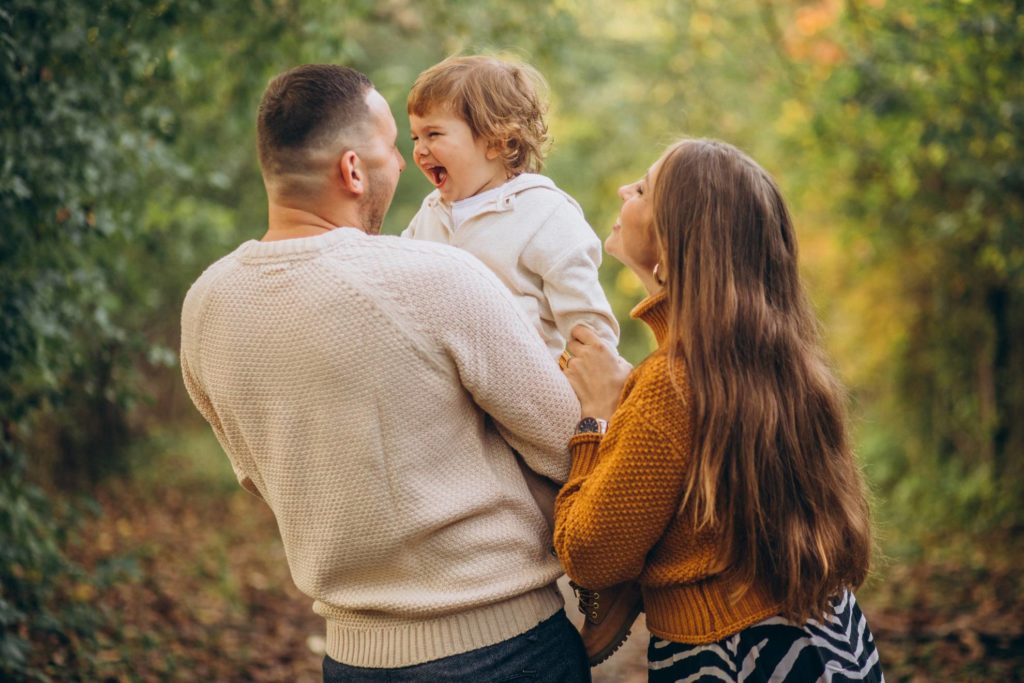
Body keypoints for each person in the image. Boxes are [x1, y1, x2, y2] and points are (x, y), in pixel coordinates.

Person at [180, 64, 591, 682]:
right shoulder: (435, 277)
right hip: (504, 649)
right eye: (394, 149)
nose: (405, 164)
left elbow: (259, 475)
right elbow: (570, 447)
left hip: (350, 659)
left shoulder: (206, 305)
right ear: (351, 170)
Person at [554, 138, 885, 681]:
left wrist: (597, 419)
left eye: (641, 190)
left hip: (733, 658)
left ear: (675, 243)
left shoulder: (670, 384)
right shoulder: (777, 362)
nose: (622, 191)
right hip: (830, 637)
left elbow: (591, 555)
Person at [402, 55, 619, 360]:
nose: (420, 150)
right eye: (415, 137)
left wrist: (594, 386)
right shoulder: (430, 212)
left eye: (433, 134)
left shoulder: (545, 213)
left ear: (497, 142)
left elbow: (589, 325)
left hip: (524, 390)